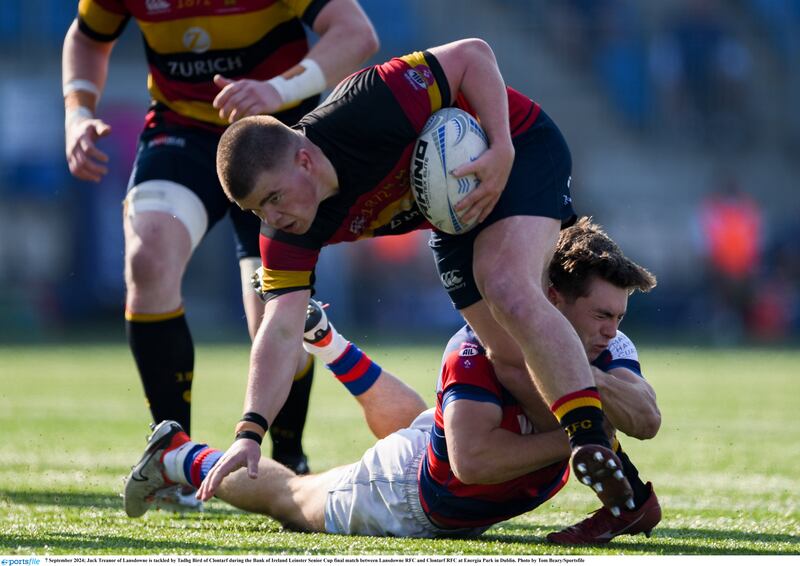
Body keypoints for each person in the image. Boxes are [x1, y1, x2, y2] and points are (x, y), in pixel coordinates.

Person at [211, 38, 634, 514]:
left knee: (507, 287)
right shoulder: (285, 233)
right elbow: (281, 327)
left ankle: (592, 438)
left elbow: (474, 55)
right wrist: (249, 432)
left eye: (272, 198)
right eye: (257, 209)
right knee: (510, 358)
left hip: (517, 148)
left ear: (304, 161)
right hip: (452, 213)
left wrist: (500, 148)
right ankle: (611, 465)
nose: (271, 216)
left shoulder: (367, 105)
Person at [124, 217, 662, 544]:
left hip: (438, 448)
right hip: (408, 498)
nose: (613, 330)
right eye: (601, 316)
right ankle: (177, 453)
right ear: (553, 301)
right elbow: (473, 463)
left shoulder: (603, 348)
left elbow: (647, 419)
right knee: (290, 495)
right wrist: (581, 435)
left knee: (422, 426)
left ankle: (328, 341)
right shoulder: (476, 347)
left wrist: (579, 380)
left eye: (619, 317)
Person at [61, 0, 379, 496]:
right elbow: (86, 37)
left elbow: (356, 33)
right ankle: (171, 456)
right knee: (147, 259)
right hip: (181, 130)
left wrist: (277, 88)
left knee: (272, 317)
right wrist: (77, 114)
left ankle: (290, 455)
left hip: (273, 137)